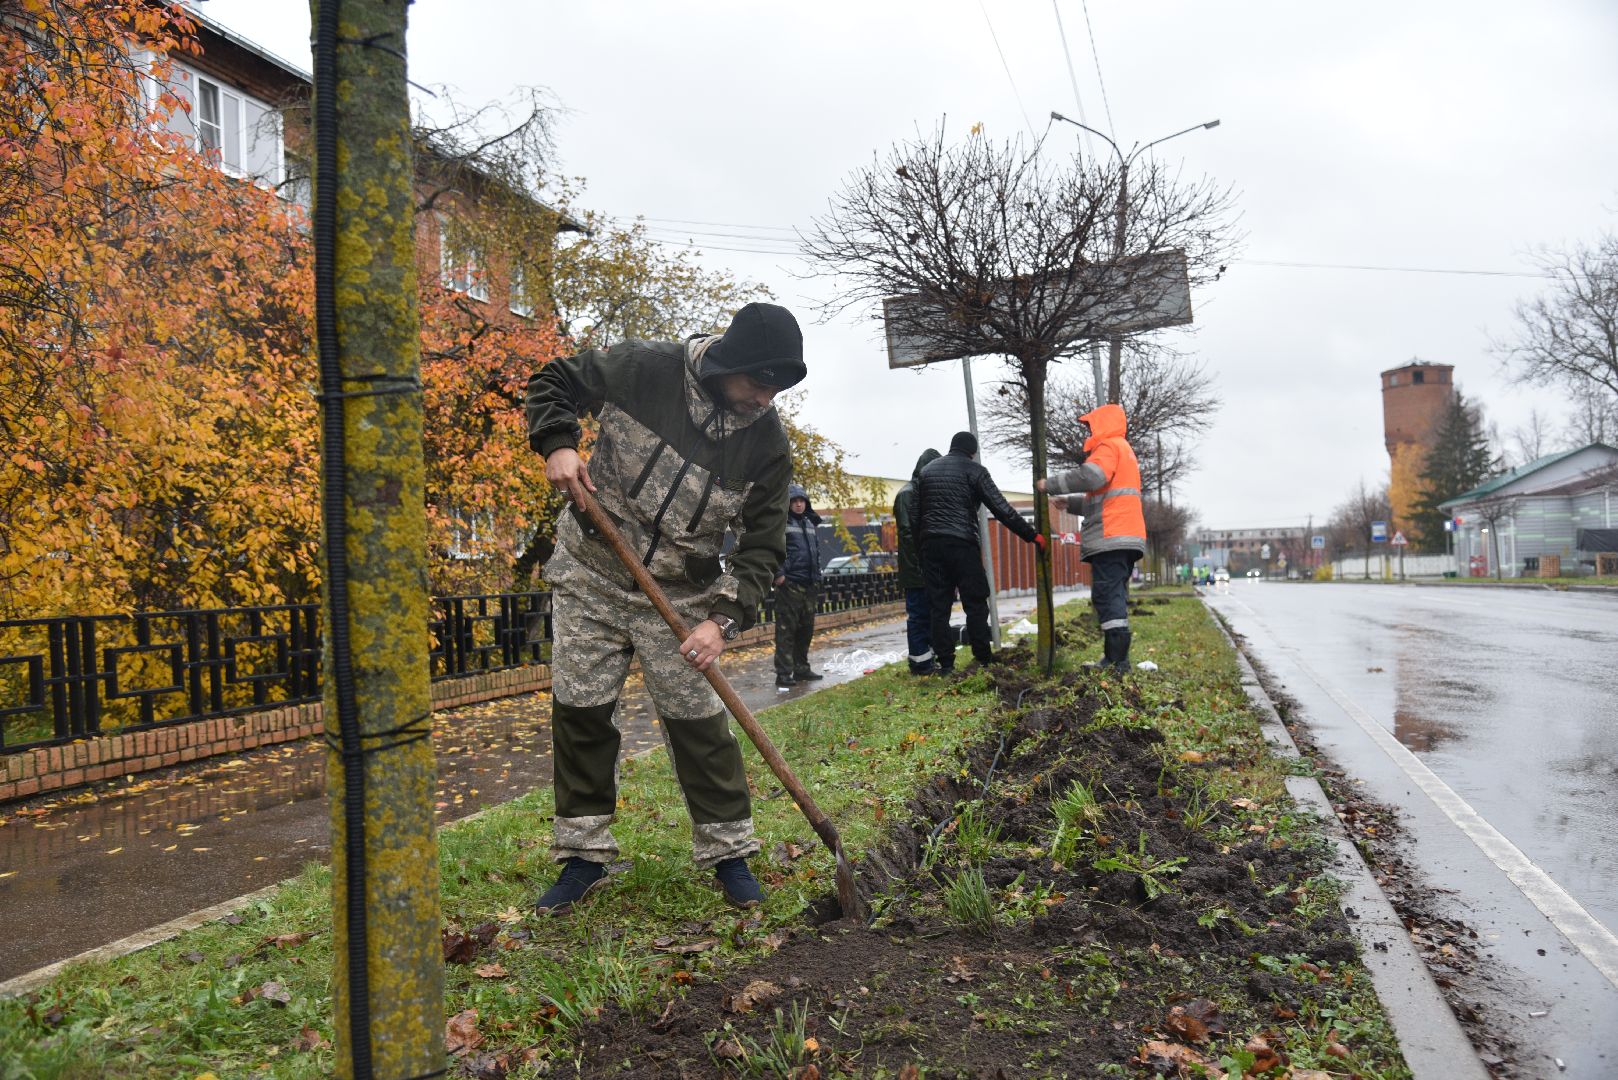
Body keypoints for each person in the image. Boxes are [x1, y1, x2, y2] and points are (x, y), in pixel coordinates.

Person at [523, 301, 805, 913]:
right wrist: (558, 444)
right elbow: (554, 379)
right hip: (592, 572)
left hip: (680, 593)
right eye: (759, 383)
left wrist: (721, 620)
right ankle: (583, 856)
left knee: (699, 723)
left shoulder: (766, 445)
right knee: (581, 712)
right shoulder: (645, 368)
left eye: (777, 389)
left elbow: (762, 546)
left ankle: (729, 853)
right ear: (728, 365)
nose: (766, 398)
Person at [915, 431, 1045, 673]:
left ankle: (946, 664)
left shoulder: (927, 471)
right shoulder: (974, 470)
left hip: (931, 545)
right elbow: (1001, 508)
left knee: (938, 607)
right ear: (972, 452)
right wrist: (1031, 535)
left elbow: (917, 514)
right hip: (962, 544)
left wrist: (921, 549)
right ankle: (983, 659)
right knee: (975, 602)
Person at [1036, 403, 1146, 672]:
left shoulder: (1108, 447)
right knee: (1111, 594)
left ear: (1102, 424)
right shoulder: (1123, 450)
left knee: (1107, 595)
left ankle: (1117, 661)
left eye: (1091, 426)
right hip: (1124, 535)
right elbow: (1104, 499)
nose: (1089, 431)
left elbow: (1092, 477)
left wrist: (1049, 485)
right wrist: (1070, 502)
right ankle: (1114, 658)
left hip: (1112, 536)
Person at [892, 448, 941, 674]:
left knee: (931, 615)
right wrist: (923, 564)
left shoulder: (923, 493)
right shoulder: (908, 494)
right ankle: (920, 663)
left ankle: (928, 659)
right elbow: (907, 535)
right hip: (916, 570)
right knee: (919, 616)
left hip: (927, 568)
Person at [772, 483, 823, 690]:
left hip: (809, 585)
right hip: (790, 585)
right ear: (788, 503)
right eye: (794, 501)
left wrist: (817, 576)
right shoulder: (781, 523)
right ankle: (784, 674)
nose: (799, 504)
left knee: (806, 630)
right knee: (786, 632)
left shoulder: (810, 524)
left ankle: (801, 668)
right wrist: (779, 575)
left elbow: (816, 552)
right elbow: (773, 550)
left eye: (802, 501)